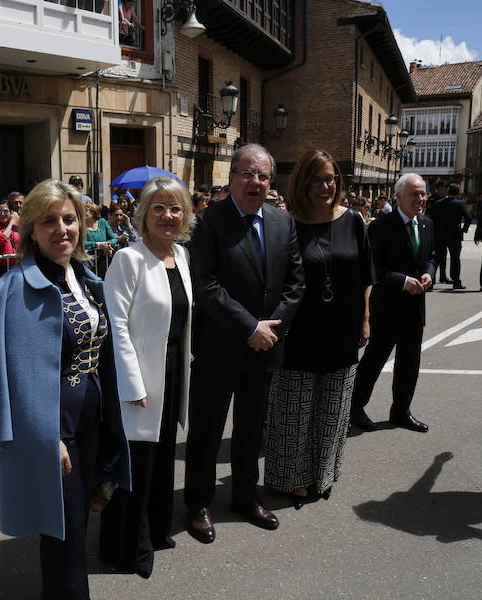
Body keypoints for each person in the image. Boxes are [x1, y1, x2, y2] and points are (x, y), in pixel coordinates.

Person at [0, 179, 130, 600]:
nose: (62, 229)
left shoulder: (83, 276)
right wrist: (49, 436)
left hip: (92, 412)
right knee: (60, 525)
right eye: (49, 221)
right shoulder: (17, 287)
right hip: (54, 420)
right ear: (30, 229)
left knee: (79, 517)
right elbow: (12, 373)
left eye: (69, 219)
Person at [184, 143, 305, 543]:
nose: (255, 182)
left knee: (252, 429)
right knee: (206, 432)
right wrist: (249, 327)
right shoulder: (206, 223)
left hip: (266, 348)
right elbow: (207, 285)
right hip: (220, 348)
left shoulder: (282, 223)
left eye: (263, 176)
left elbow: (295, 283)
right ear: (232, 176)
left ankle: (244, 496)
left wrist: (271, 329)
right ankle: (198, 502)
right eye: (247, 174)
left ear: (271, 182)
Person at [266, 150, 374, 506]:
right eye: (316, 179)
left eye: (330, 178)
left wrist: (365, 318)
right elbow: (277, 281)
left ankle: (322, 475)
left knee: (333, 408)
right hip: (300, 331)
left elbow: (364, 278)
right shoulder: (287, 224)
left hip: (342, 328)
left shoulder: (354, 221)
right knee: (294, 410)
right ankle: (292, 479)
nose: (325, 186)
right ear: (302, 182)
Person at [99, 177, 193, 578]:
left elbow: (183, 320)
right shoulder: (129, 258)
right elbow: (116, 326)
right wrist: (131, 384)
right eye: (158, 208)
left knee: (161, 456)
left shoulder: (182, 256)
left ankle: (156, 529)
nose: (167, 216)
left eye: (175, 208)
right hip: (139, 373)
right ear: (143, 214)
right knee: (136, 465)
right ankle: (129, 548)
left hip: (173, 370)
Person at [350, 173, 436, 433]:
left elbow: (431, 256)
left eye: (423, 194)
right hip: (387, 306)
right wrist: (402, 280)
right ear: (398, 197)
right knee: (374, 360)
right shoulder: (381, 226)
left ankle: (401, 411)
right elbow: (373, 266)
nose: (420, 199)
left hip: (415, 306)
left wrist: (429, 273)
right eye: (414, 194)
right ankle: (354, 409)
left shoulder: (426, 224)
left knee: (409, 363)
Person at [430, 182, 472, 289]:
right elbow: (468, 218)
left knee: (437, 258)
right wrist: (463, 230)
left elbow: (432, 217)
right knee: (455, 259)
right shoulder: (460, 203)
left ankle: (431, 280)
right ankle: (456, 281)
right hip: (454, 235)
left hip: (439, 234)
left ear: (448, 191)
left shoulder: (438, 202)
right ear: (458, 192)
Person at [83, 202, 117, 275]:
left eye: (85, 210)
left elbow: (114, 239)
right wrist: (98, 245)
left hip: (103, 259)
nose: (82, 212)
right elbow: (80, 243)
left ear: (93, 212)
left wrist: (107, 245)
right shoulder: (81, 225)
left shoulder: (102, 222)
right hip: (88, 260)